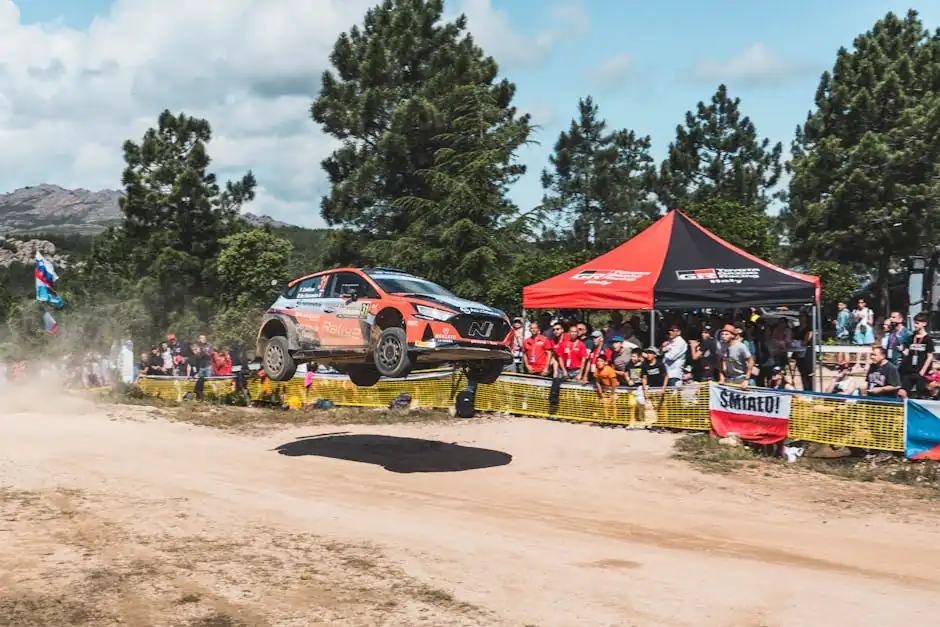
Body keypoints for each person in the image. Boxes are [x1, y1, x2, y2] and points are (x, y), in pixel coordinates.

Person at [899, 312, 934, 398]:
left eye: (917, 323)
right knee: (903, 392)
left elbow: (930, 356)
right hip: (909, 370)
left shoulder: (927, 339)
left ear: (924, 324)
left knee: (920, 393)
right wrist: (902, 350)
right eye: (914, 323)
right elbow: (907, 352)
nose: (915, 325)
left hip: (921, 371)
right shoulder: (911, 337)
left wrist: (923, 370)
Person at [852, 298, 874, 372]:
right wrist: (857, 317)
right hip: (858, 330)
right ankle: (857, 363)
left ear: (865, 303)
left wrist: (866, 319)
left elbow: (871, 321)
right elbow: (853, 321)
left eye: (862, 302)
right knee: (859, 347)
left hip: (867, 330)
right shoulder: (855, 311)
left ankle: (867, 363)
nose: (860, 304)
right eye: (859, 302)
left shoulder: (869, 311)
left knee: (867, 346)